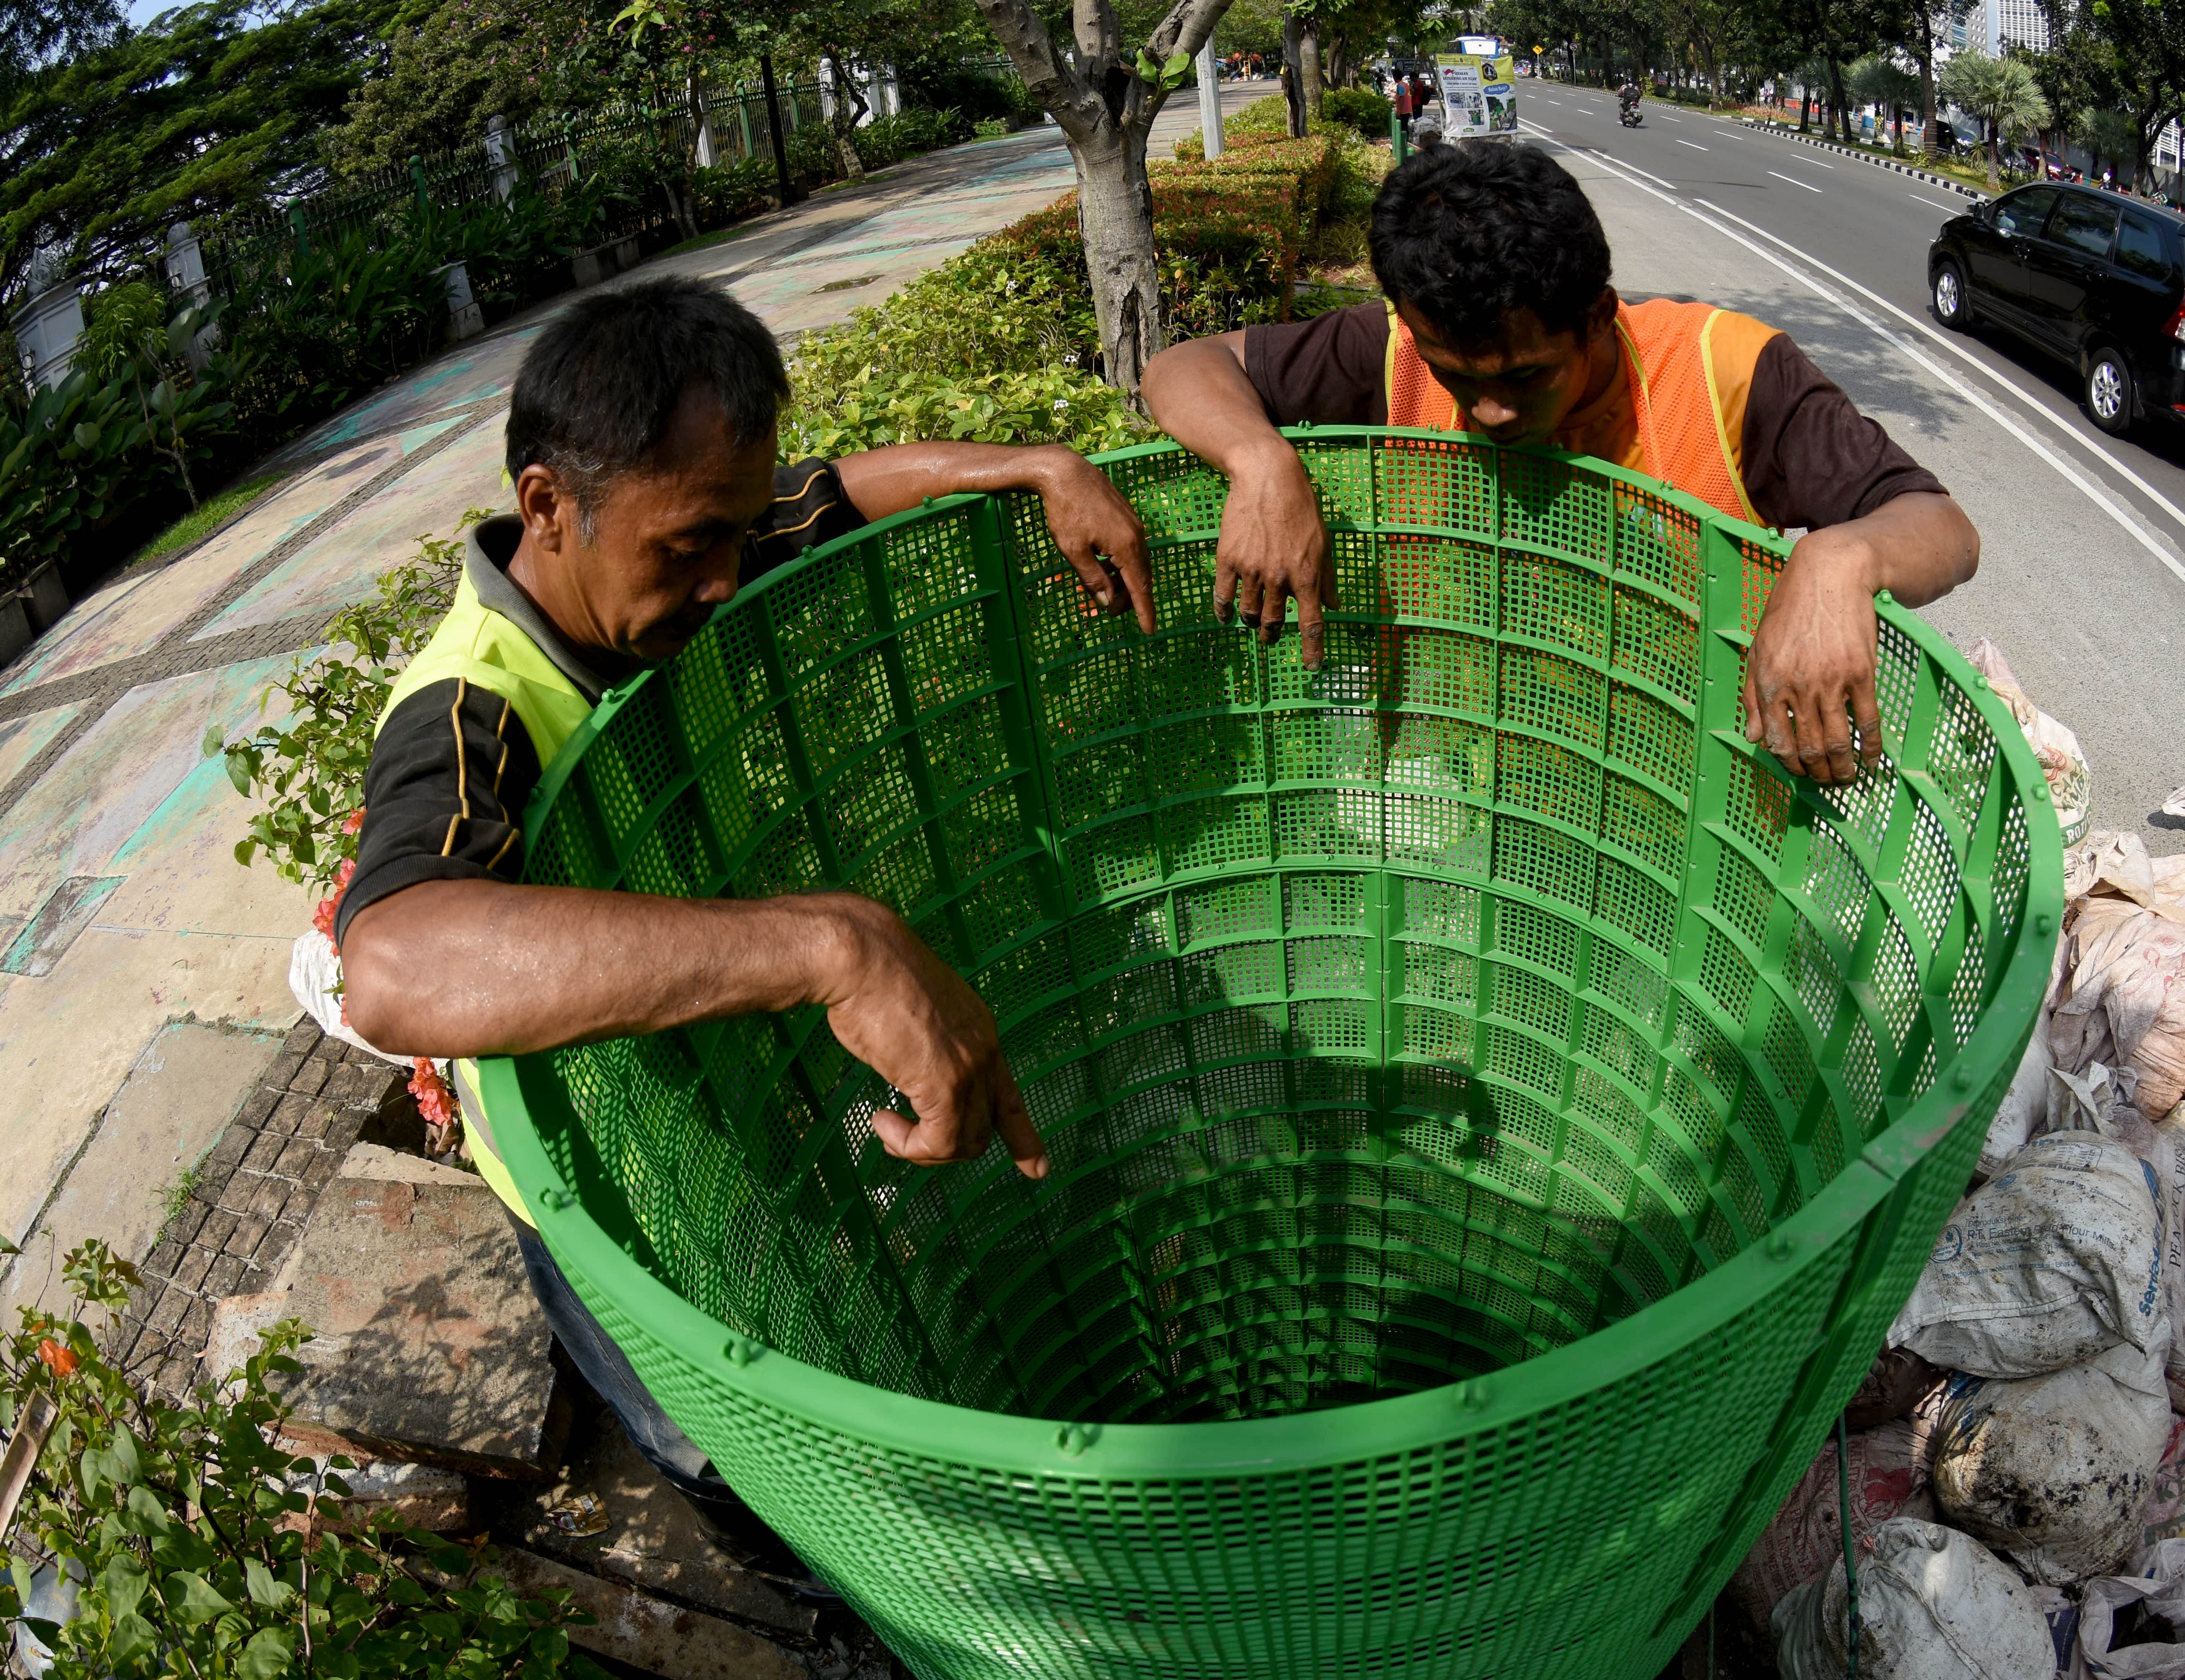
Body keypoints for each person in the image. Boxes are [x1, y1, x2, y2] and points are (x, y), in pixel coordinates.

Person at [337, 274, 1153, 1591]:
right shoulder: (467, 707)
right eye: (688, 548)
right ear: (548, 505)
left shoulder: (671, 559)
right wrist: (825, 947)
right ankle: (807, 1586)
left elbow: (831, 494)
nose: (730, 577)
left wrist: (1036, 466)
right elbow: (389, 962)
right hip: (615, 1214)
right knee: (715, 1448)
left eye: (735, 536)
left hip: (733, 1118)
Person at [1141, 143, 1978, 787]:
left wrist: (1840, 557)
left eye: (1524, 376)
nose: (1489, 411)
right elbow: (1183, 368)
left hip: (1684, 801)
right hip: (1463, 785)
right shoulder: (1392, 350)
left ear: (1598, 318)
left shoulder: (1725, 371)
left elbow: (1940, 527)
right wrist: (1259, 461)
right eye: (1455, 376)